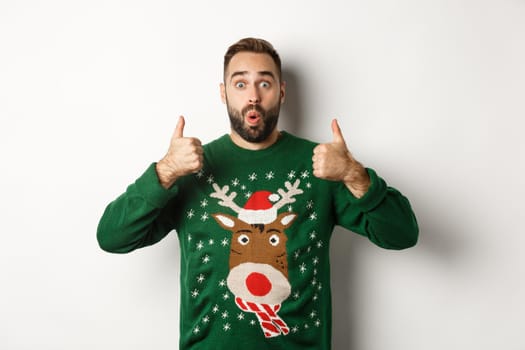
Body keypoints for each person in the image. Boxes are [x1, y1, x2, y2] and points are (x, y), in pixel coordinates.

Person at [97, 37, 418, 350]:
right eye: (240, 84)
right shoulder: (188, 169)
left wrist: (353, 174)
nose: (253, 96)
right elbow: (112, 237)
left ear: (281, 92)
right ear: (223, 94)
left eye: (264, 84)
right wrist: (164, 171)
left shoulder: (323, 167)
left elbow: (402, 233)